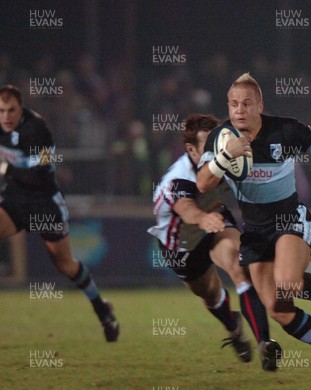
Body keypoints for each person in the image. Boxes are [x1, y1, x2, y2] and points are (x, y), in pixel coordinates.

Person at [197, 73, 311, 376]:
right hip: (255, 231)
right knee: (278, 309)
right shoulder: (221, 138)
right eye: (234, 104)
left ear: (260, 105)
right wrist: (224, 157)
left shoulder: (286, 130)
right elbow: (203, 183)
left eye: (247, 103)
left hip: (289, 219)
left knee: (287, 283)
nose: (239, 110)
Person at [147, 113, 275, 369]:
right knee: (210, 296)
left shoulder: (225, 159)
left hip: (216, 223)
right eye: (207, 145)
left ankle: (266, 344)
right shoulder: (178, 178)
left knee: (240, 268)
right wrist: (201, 218)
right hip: (181, 246)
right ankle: (234, 328)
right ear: (190, 149)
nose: (215, 149)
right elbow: (185, 209)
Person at [0, 84, 118, 341]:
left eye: (11, 110)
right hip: (15, 199)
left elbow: (42, 167)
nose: (6, 116)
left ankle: (102, 308)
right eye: (1, 111)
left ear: (21, 109)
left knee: (65, 265)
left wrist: (7, 169)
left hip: (44, 201)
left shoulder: (37, 128)